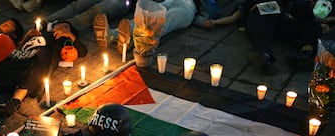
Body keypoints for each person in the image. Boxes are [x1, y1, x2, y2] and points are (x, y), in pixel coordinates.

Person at [0, 21, 87, 115]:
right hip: (21, 55)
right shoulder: (41, 33)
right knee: (3, 71)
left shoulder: (62, 40)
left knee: (33, 71)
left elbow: (82, 51)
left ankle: (15, 101)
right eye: (59, 25)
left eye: (66, 27)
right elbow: (20, 45)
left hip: (39, 59)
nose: (61, 28)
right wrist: (27, 37)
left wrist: (69, 36)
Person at [199, 0, 328, 74]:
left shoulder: (281, 3)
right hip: (259, 15)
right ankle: (264, 57)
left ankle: (304, 54)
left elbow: (294, 18)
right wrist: (214, 22)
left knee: (313, 27)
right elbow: (234, 17)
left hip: (279, 19)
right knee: (263, 33)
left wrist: (318, 25)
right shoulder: (249, 3)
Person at [93, 0, 198, 53]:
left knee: (162, 23)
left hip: (188, 8)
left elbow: (206, 16)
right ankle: (112, 34)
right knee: (148, 16)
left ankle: (129, 40)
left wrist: (211, 22)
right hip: (171, 1)